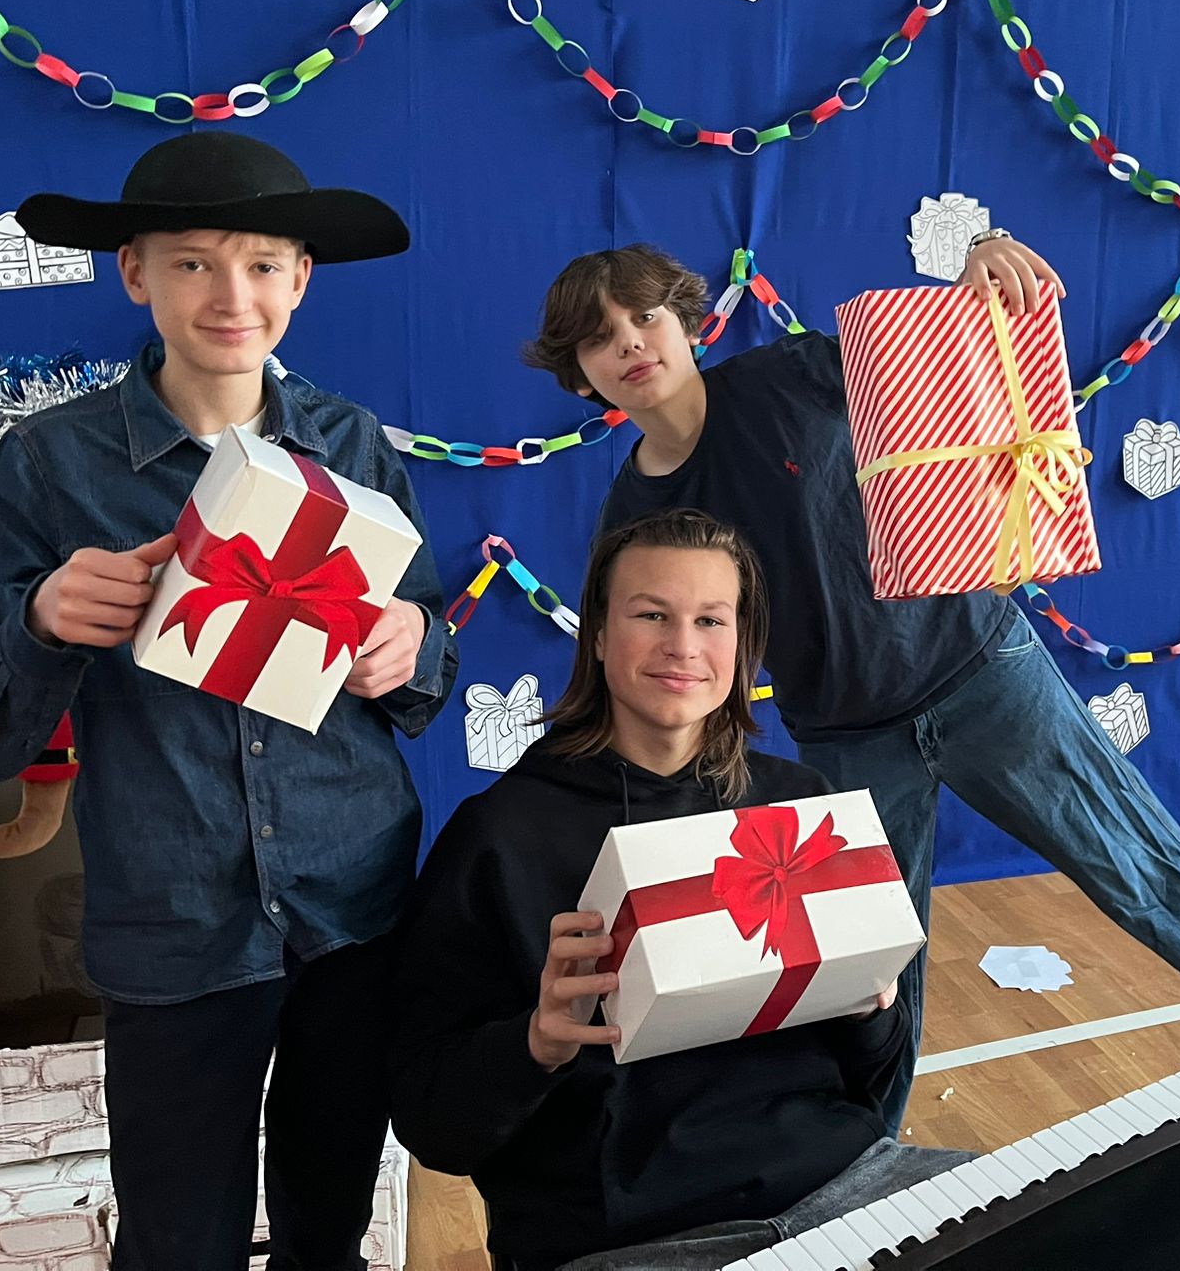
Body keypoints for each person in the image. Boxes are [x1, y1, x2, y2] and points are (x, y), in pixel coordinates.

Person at [522, 237, 1180, 1132]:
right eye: (600, 337)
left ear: (687, 322)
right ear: (580, 376)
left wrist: (978, 259)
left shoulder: (790, 374)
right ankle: (870, 1155)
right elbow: (653, 672)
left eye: (645, 315)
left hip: (981, 669)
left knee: (1128, 852)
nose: (630, 341)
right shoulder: (635, 520)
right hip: (847, 739)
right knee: (869, 976)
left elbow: (929, 346)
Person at [0, 132, 458, 1271]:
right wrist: (42, 624)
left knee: (330, 1225)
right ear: (134, 273)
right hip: (174, 918)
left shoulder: (353, 445)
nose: (233, 296)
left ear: (301, 280)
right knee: (177, 1241)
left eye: (263, 264)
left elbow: (426, 663)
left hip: (352, 902)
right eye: (192, 263)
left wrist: (413, 645)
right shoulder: (49, 467)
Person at [387, 509, 973, 1271]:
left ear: (742, 643)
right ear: (598, 635)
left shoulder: (801, 807)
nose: (684, 647)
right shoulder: (499, 839)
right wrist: (536, 1043)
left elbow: (873, 1079)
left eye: (710, 620)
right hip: (629, 1236)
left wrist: (872, 1009)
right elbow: (431, 1126)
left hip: (840, 1186)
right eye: (652, 615)